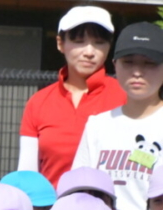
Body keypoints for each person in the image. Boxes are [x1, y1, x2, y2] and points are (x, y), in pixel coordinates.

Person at [73, 22, 163, 210]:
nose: (137, 72)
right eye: (128, 62)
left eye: (149, 63)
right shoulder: (98, 125)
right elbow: (79, 187)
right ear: (115, 65)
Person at [19, 6, 124, 186]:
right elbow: (27, 173)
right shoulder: (38, 102)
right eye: (79, 41)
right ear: (60, 43)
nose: (89, 52)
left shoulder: (126, 97)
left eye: (99, 42)